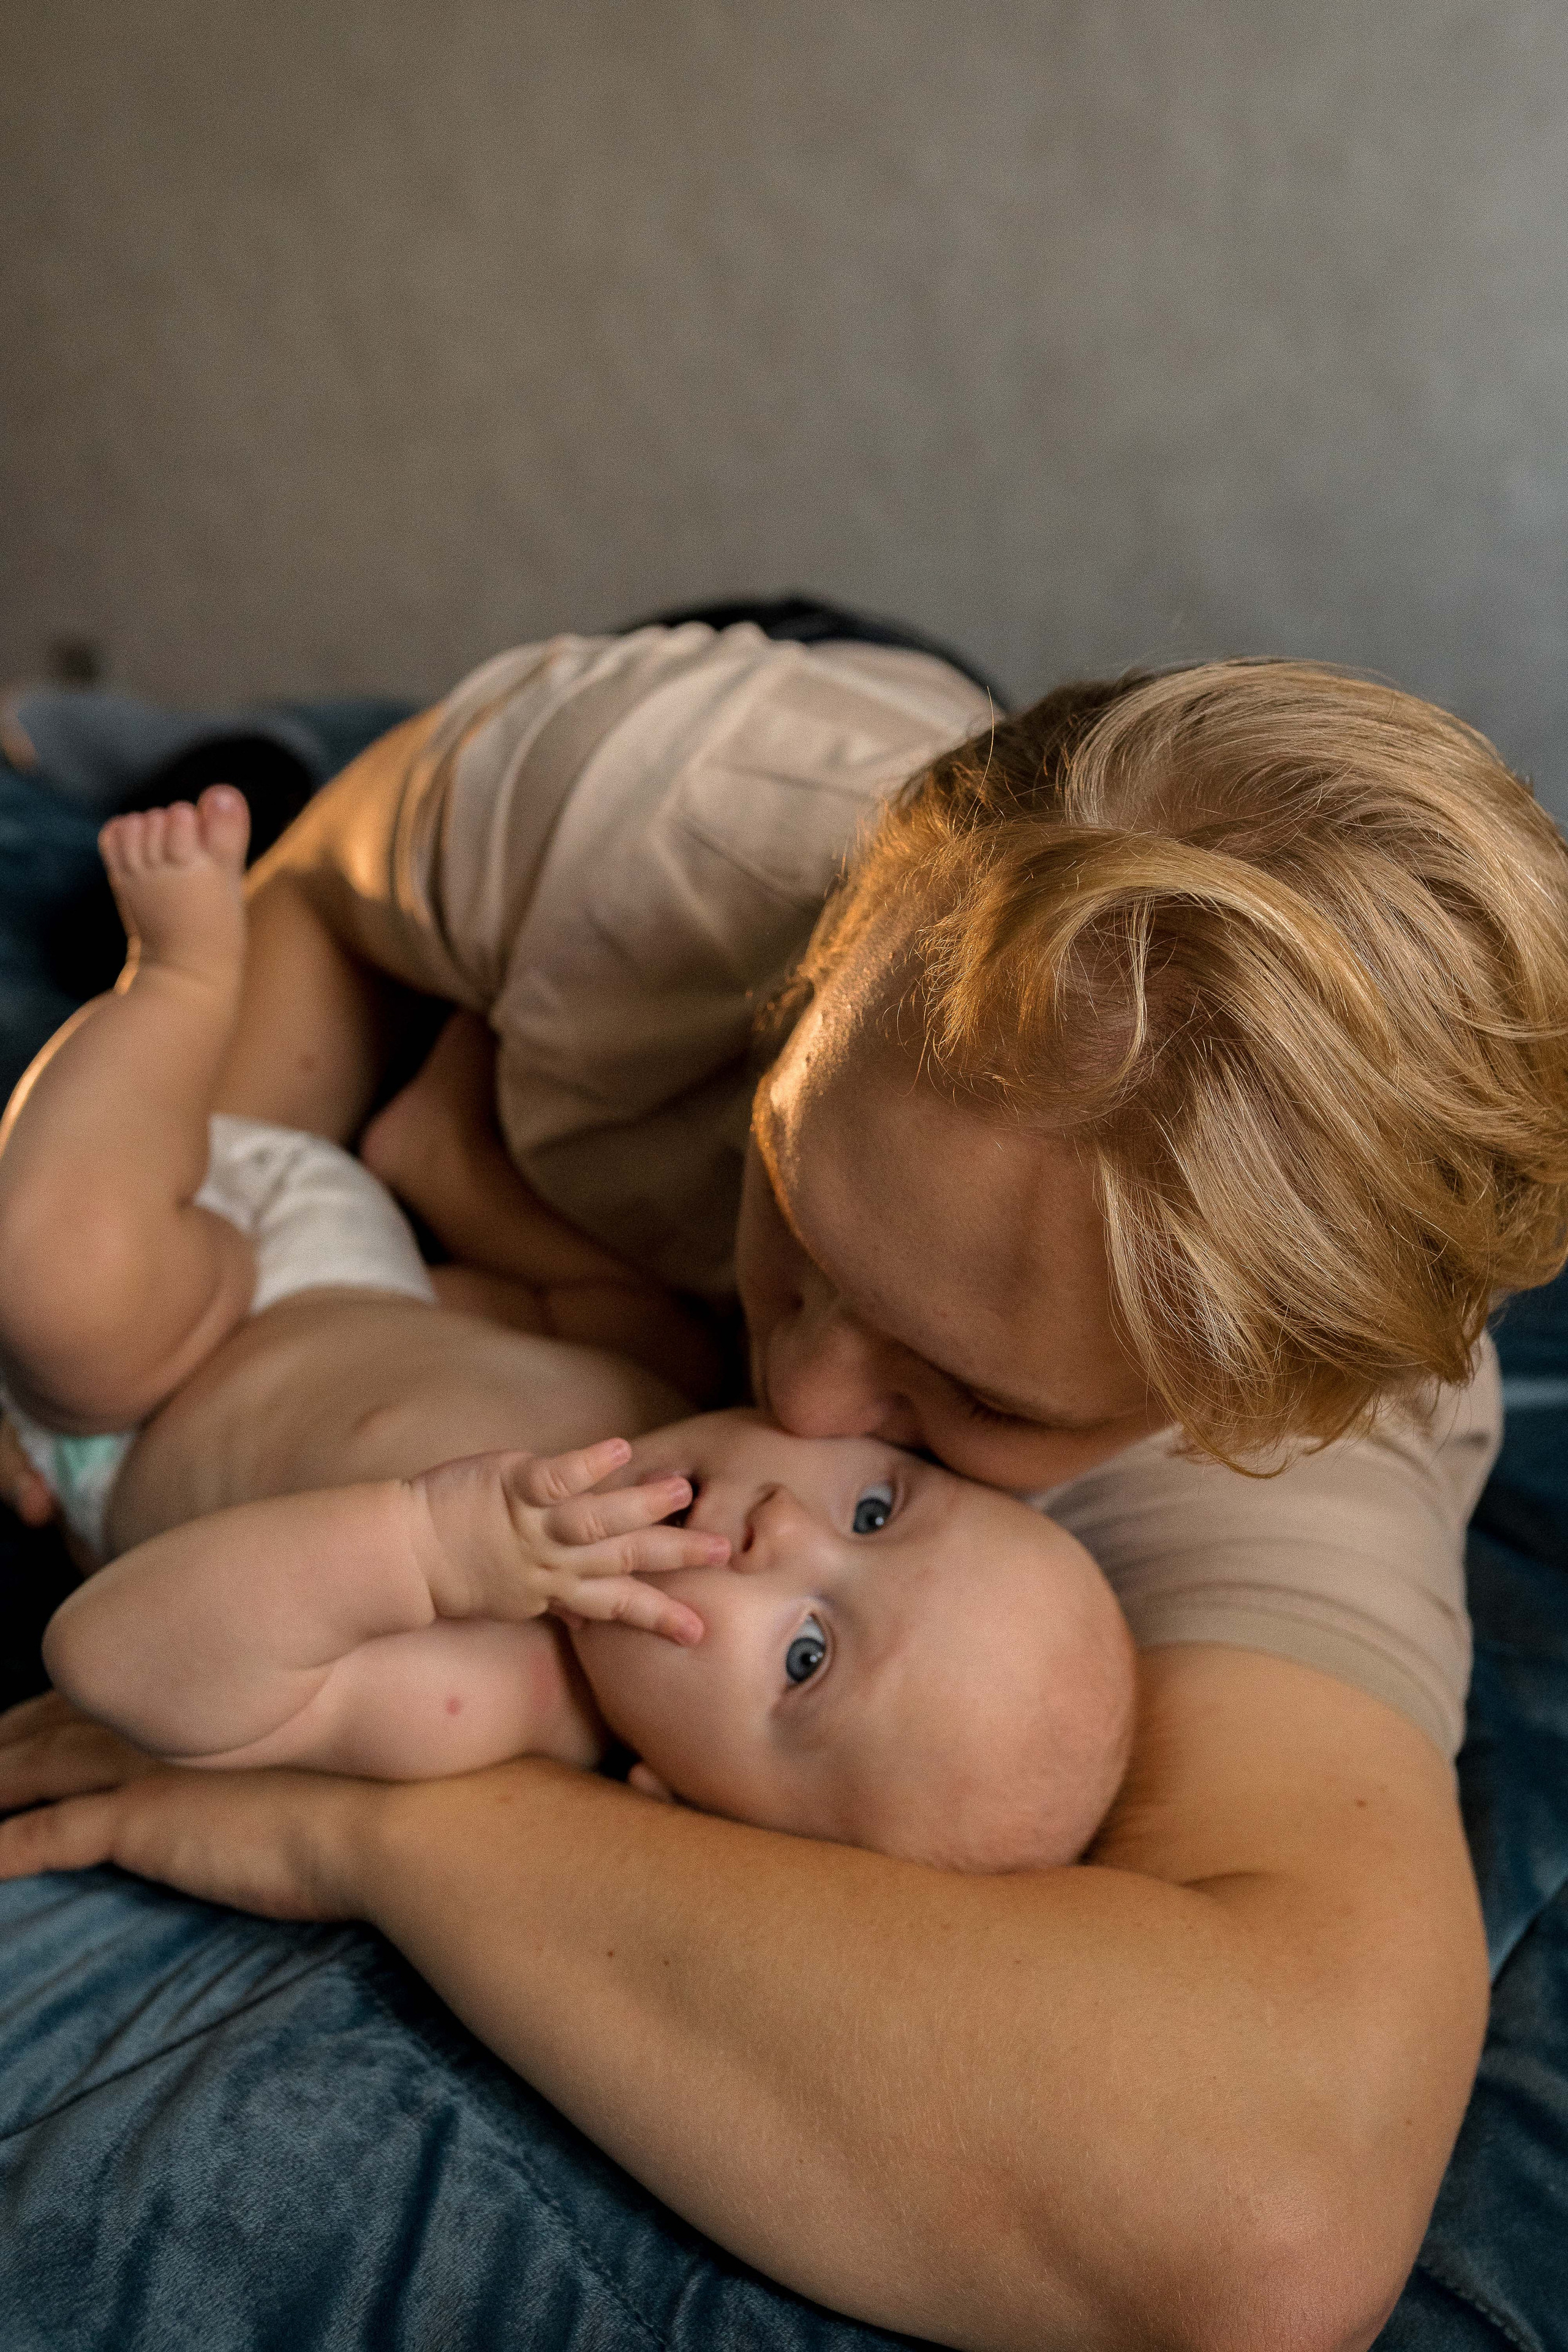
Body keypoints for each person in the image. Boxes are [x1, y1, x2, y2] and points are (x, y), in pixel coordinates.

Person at [4, 625, 1568, 2351]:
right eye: (793, 1210)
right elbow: (313, 903)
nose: (803, 1406)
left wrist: (376, 1828)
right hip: (436, 1173)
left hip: (461, 1312)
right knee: (238, 799)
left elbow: (1267, 2217)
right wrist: (144, 1300)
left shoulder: (1278, 1450)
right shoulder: (691, 799)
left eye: (974, 1403)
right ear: (826, 967)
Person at [0, 788, 1132, 1868]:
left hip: (136, 1423)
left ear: (685, 1801)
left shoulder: (482, 1701)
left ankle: (180, 978)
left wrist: (430, 1553)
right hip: (332, 1269)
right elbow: (558, 1306)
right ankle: (397, 1143)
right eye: (876, 1510)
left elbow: (107, 1655)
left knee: (60, 1279)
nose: (784, 1530)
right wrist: (463, 1194)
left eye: (806, 1655)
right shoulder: (670, 1400)